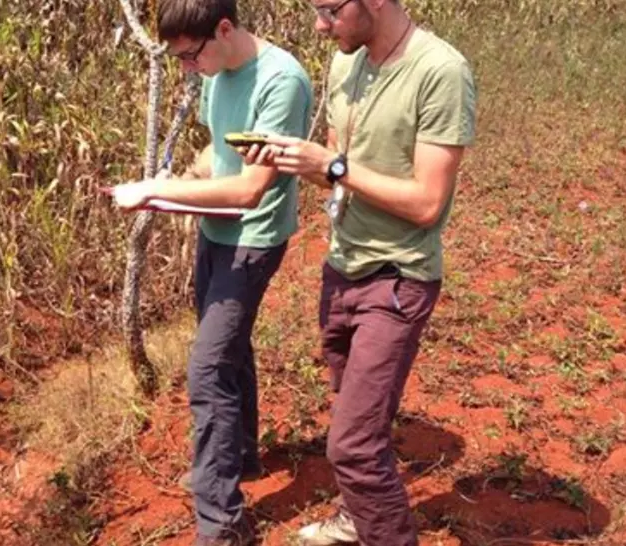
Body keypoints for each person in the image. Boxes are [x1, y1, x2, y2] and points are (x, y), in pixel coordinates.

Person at [240, 0, 477, 544]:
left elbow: (427, 203)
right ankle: (355, 517)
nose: (320, 26)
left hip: (398, 277)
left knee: (351, 444)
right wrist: (292, 158)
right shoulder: (347, 61)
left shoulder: (440, 72)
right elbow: (339, 171)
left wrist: (332, 165)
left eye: (329, 10)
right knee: (358, 416)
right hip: (343, 266)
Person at [110, 0, 313, 544]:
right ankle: (238, 456)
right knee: (229, 350)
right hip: (215, 235)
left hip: (253, 239)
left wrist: (155, 192)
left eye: (190, 55)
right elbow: (216, 153)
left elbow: (249, 189)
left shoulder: (281, 82)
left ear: (224, 29)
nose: (187, 68)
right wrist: (176, 179)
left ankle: (221, 524)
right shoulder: (214, 70)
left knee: (207, 368)